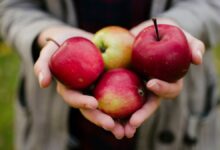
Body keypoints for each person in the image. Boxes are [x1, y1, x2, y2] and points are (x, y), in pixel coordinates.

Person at [0, 0, 220, 150]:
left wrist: (178, 27)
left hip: (179, 118)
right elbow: (11, 7)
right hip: (54, 120)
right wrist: (46, 33)